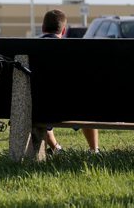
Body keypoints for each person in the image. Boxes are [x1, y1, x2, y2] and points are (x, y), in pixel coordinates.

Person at [40, 9, 100, 154]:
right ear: (64, 30)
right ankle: (94, 151)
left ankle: (56, 149)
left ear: (43, 28)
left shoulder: (29, 48)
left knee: (41, 107)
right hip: (71, 107)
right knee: (86, 104)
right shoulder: (72, 50)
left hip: (39, 108)